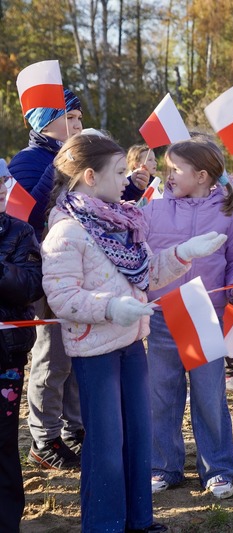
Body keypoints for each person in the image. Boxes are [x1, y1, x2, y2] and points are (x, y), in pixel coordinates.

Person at [41, 133, 226, 532]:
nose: (128, 179)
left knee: (138, 438)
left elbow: (146, 273)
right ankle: (105, 524)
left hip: (130, 345)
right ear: (90, 176)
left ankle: (139, 521)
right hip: (95, 353)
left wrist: (184, 253)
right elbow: (61, 296)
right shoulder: (67, 231)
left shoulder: (121, 220)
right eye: (120, 172)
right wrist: (110, 307)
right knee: (106, 446)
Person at [144, 137, 233, 500]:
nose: (168, 175)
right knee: (162, 393)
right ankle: (163, 466)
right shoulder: (154, 208)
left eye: (176, 169)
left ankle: (218, 469)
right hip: (162, 315)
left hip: (205, 315)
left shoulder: (229, 212)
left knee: (209, 395)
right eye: (167, 168)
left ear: (203, 175)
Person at [8, 88, 85, 469]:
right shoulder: (27, 161)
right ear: (45, 121)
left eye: (79, 118)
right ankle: (44, 439)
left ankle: (73, 428)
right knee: (52, 357)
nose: (78, 125)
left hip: (75, 270)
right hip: (44, 272)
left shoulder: (70, 156)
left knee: (72, 355)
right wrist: (59, 167)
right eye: (70, 117)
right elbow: (22, 218)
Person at [0, 158, 43, 533]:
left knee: (3, 442)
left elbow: (31, 285)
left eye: (3, 181)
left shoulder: (20, 232)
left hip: (6, 355)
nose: (1, 188)